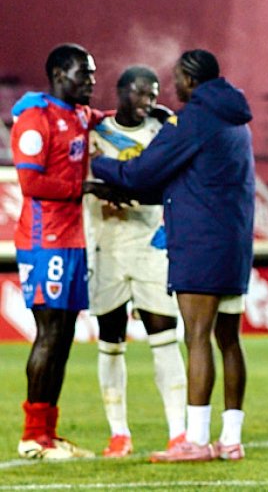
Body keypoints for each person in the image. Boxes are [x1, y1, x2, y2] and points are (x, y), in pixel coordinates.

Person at [91, 49, 255, 463]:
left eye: (178, 78)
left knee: (196, 338)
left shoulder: (193, 119)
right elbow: (186, 179)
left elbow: (141, 172)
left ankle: (195, 440)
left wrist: (98, 165)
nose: (174, 86)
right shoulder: (235, 116)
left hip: (199, 242)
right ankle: (230, 439)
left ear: (190, 79)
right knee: (229, 340)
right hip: (235, 241)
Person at [12, 44, 116, 459]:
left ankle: (48, 435)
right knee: (50, 335)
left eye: (92, 73)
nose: (91, 80)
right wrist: (82, 187)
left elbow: (106, 119)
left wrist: (145, 113)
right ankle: (32, 436)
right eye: (83, 73)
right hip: (44, 241)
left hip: (73, 240)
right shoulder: (35, 118)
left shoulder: (79, 115)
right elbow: (31, 183)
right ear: (58, 74)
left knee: (64, 337)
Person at [85, 65, 187, 458]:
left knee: (164, 338)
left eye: (154, 94)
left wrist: (118, 189)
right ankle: (119, 433)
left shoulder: (161, 131)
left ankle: (178, 433)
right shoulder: (96, 132)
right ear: (122, 91)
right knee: (110, 342)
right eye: (141, 93)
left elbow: (165, 182)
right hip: (106, 249)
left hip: (151, 248)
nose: (148, 101)